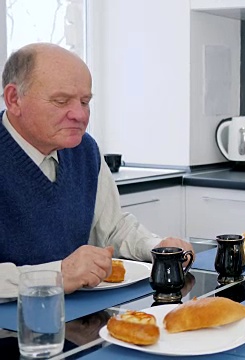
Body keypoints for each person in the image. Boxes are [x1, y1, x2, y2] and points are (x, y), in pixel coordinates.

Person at [0, 43, 194, 297]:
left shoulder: (84, 149)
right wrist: (58, 275)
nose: (80, 115)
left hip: (77, 317)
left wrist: (156, 246)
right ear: (14, 99)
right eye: (61, 101)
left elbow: (112, 228)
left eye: (85, 101)